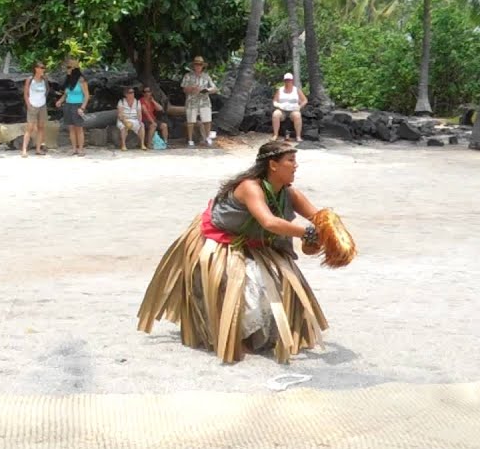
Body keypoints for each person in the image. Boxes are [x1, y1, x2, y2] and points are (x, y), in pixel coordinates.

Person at [137, 140, 333, 364]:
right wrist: (307, 233)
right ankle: (229, 335)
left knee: (273, 286)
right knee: (241, 284)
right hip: (221, 243)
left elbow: (320, 219)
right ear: (273, 165)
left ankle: (255, 334)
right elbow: (268, 222)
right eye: (291, 161)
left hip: (256, 244)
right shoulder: (250, 187)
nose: (296, 166)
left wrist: (333, 233)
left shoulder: (290, 194)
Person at [55, 57, 90, 157]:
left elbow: (87, 95)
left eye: (69, 67)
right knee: (71, 128)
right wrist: (60, 101)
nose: (68, 69)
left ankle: (81, 149)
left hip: (78, 105)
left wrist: (82, 107)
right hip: (68, 105)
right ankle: (74, 148)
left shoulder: (81, 80)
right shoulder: (68, 80)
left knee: (79, 128)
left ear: (75, 69)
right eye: (67, 67)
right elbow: (66, 94)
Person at [181, 56, 217, 147]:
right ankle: (190, 140)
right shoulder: (188, 76)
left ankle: (207, 138)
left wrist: (206, 90)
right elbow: (184, 89)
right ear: (194, 66)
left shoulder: (206, 76)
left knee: (207, 120)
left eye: (200, 65)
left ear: (202, 66)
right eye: (196, 65)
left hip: (204, 101)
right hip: (192, 101)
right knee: (191, 121)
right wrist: (192, 89)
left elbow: (214, 88)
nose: (198, 66)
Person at [21, 61, 49, 157]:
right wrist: (28, 104)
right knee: (30, 128)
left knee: (41, 127)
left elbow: (47, 91)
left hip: (42, 105)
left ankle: (38, 149)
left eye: (44, 68)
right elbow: (25, 93)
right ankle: (24, 150)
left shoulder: (44, 79)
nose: (43, 70)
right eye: (41, 68)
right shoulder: (30, 79)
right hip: (32, 105)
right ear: (36, 69)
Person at [271, 72, 307, 142]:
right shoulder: (280, 90)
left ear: (292, 81)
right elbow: (274, 101)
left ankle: (298, 136)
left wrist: (300, 107)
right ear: (284, 81)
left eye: (289, 80)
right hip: (282, 110)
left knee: (297, 115)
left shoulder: (296, 90)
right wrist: (277, 104)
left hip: (293, 110)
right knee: (275, 114)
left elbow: (305, 100)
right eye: (286, 80)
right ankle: (275, 135)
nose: (288, 82)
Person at [116, 85, 146, 151]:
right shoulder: (121, 101)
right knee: (123, 127)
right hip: (124, 119)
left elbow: (139, 113)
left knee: (142, 125)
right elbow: (120, 114)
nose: (132, 94)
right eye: (130, 92)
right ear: (126, 94)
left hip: (134, 119)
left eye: (133, 92)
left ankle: (142, 144)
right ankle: (123, 145)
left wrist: (140, 121)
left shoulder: (137, 102)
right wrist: (124, 121)